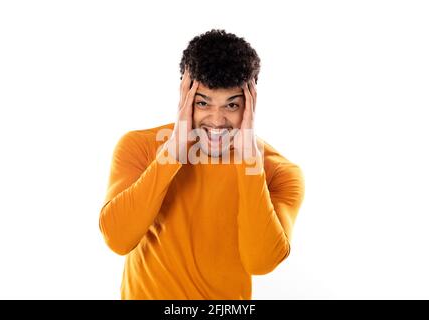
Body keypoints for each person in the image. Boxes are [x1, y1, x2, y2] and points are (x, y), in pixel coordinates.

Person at [99, 29, 305, 299]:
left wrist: (250, 164)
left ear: (250, 105)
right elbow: (118, 238)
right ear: (184, 96)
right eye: (203, 102)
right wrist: (173, 152)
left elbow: (261, 262)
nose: (216, 120)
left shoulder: (279, 172)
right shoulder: (140, 146)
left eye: (232, 105)